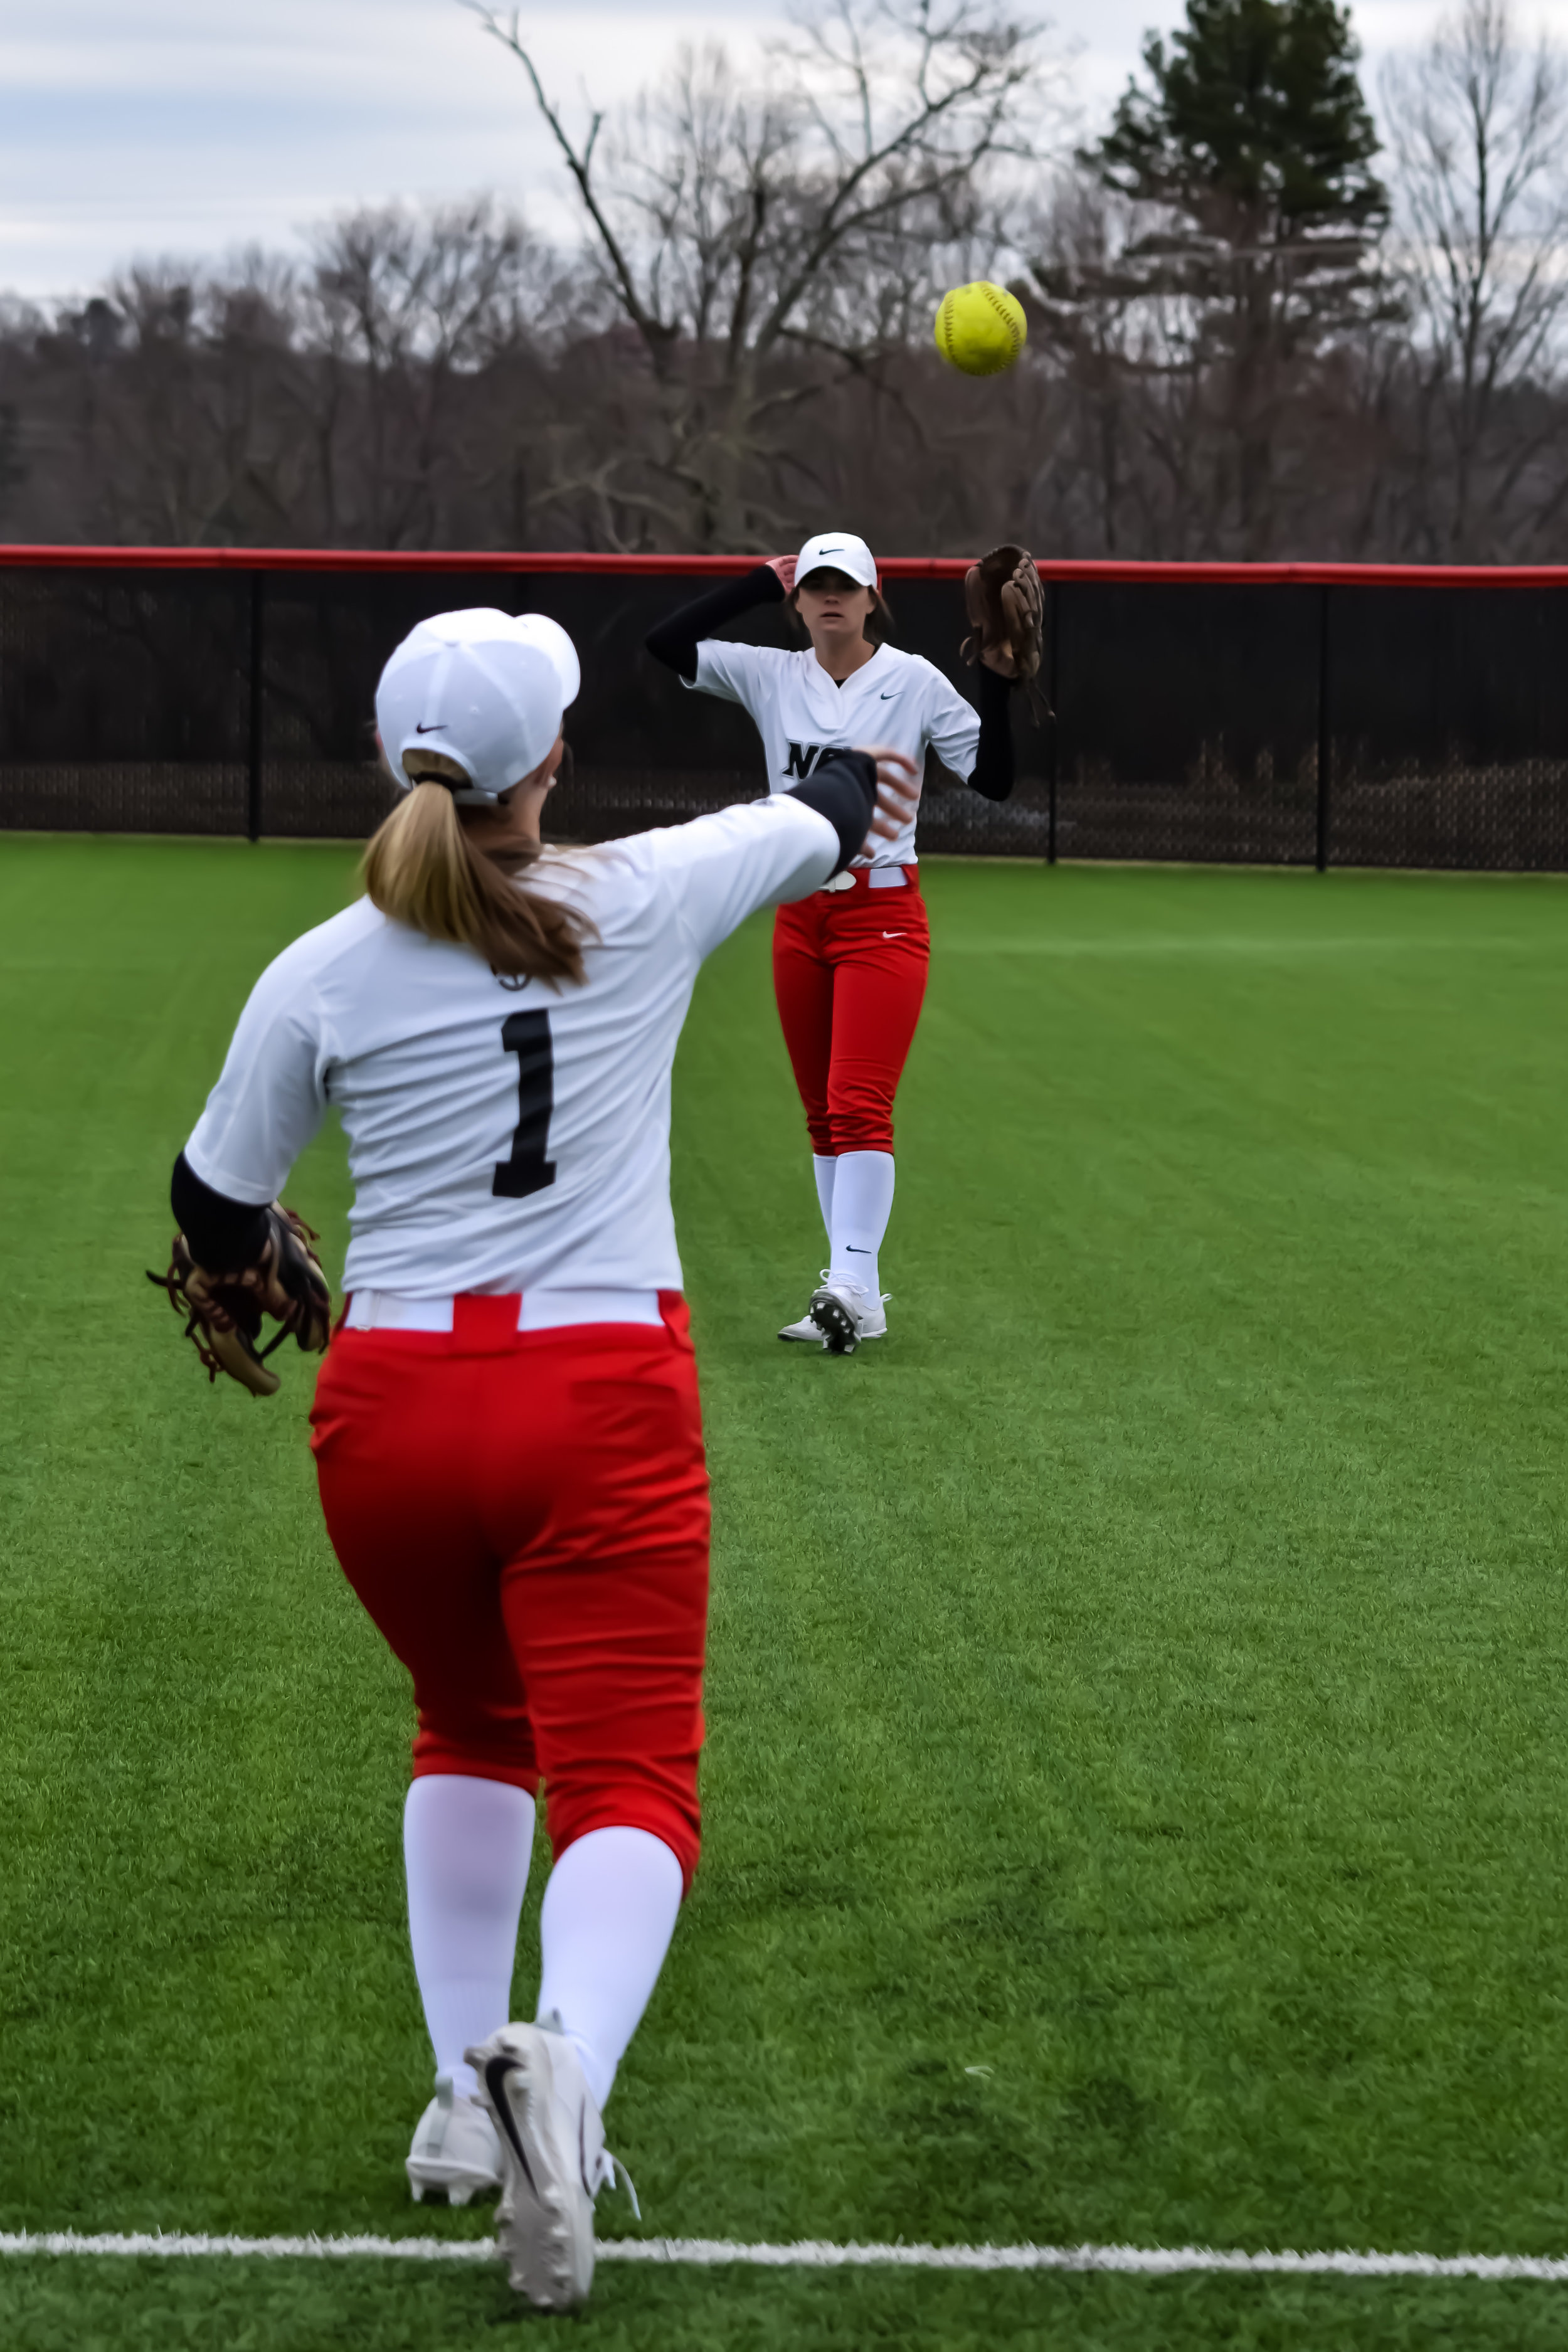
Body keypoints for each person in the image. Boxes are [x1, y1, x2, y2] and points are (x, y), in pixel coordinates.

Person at [167, 607, 916, 2311]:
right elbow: (829, 795)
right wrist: (829, 684)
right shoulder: (641, 894)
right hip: (598, 1395)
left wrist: (256, 1256)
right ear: (553, 762)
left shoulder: (322, 965)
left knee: (469, 1723)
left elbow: (213, 1202)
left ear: (396, 764)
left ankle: (462, 2086)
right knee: (630, 1781)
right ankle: (554, 2078)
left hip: (392, 1411)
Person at [645, 531, 1017, 1353]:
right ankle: (847, 1284)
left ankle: (853, 1282)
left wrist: (995, 670)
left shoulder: (912, 680)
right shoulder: (774, 675)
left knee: (858, 1104)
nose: (829, 597)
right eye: (814, 585)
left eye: (844, 584)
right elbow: (665, 642)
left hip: (884, 911)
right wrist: (754, 580)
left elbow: (993, 776)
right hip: (799, 915)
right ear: (799, 599)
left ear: (873, 596)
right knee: (822, 1115)